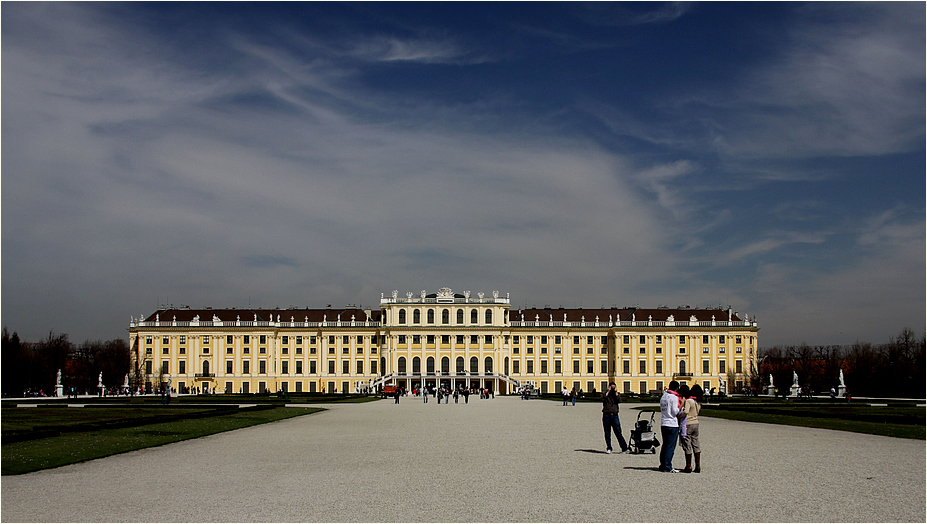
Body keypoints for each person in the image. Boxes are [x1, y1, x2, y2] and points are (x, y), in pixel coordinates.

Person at [659, 380, 682, 473]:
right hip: (672, 423)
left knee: (665, 445)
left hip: (664, 423)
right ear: (677, 388)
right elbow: (675, 411)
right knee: (670, 446)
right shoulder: (674, 397)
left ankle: (663, 464)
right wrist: (682, 405)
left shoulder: (663, 397)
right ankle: (668, 466)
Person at [601, 382, 629, 454]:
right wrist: (608, 391)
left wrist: (616, 392)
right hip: (606, 415)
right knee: (607, 433)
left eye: (614, 387)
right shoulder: (605, 394)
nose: (612, 388)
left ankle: (624, 448)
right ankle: (609, 448)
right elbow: (602, 399)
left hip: (615, 415)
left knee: (618, 432)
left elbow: (620, 401)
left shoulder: (616, 395)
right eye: (611, 387)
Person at [680, 384, 702, 473]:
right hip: (696, 423)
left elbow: (685, 411)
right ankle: (698, 466)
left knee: (687, 444)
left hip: (688, 424)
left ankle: (688, 466)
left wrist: (679, 416)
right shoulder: (698, 402)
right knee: (696, 444)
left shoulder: (689, 401)